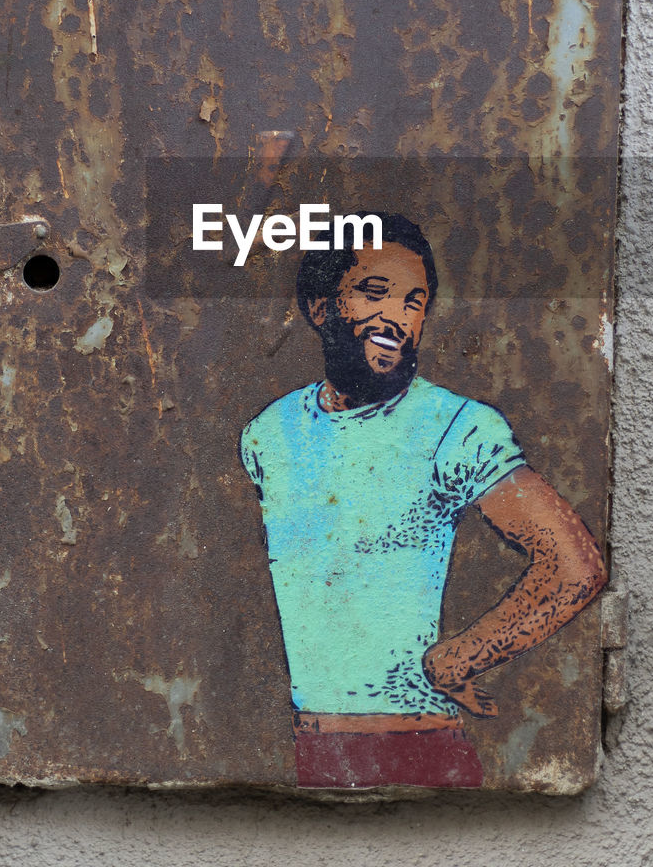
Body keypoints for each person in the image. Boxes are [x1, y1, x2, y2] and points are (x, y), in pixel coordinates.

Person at [240, 212, 606, 790]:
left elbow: (575, 566)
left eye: (414, 301)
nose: (397, 318)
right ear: (320, 308)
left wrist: (460, 657)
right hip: (312, 752)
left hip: (421, 751)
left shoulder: (457, 427)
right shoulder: (267, 434)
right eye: (374, 292)